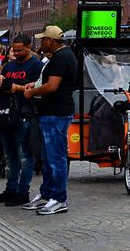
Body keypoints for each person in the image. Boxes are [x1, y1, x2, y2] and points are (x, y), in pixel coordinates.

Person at [22, 26, 78, 215]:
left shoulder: (61, 57)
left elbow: (52, 86)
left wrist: (32, 92)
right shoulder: (62, 55)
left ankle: (60, 199)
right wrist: (36, 84)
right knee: (48, 157)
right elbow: (52, 82)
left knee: (56, 158)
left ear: (51, 41)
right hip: (52, 112)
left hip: (56, 112)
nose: (41, 43)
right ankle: (47, 194)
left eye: (43, 39)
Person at [0, 34, 44, 207]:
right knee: (9, 154)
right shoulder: (9, 66)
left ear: (29, 47)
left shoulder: (36, 65)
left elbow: (40, 87)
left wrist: (17, 88)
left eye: (20, 50)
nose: (16, 53)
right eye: (14, 50)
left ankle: (23, 191)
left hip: (25, 113)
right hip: (7, 114)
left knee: (24, 154)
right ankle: (11, 189)